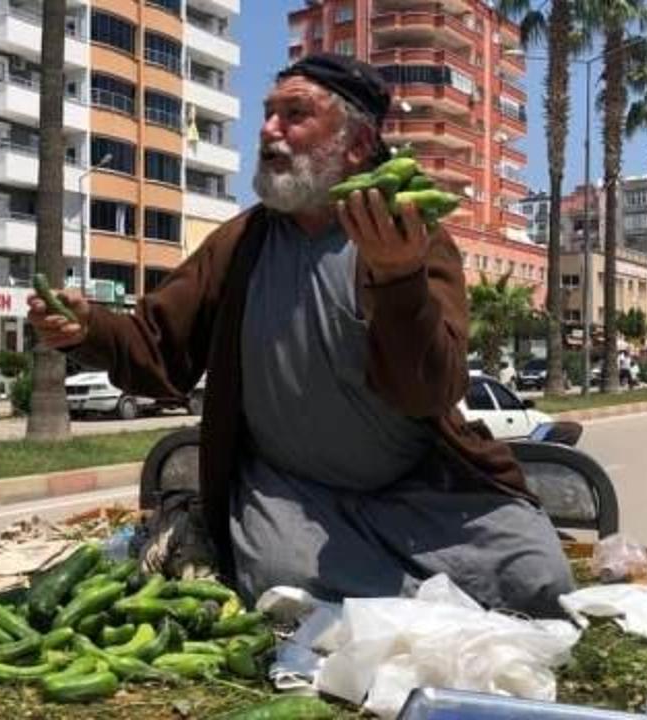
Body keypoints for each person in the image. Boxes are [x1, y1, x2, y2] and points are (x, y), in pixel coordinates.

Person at [28, 53, 573, 616]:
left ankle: (392, 602)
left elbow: (430, 390)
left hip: (420, 490)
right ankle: (413, 606)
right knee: (284, 586)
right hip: (290, 494)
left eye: (294, 115)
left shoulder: (412, 239)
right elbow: (159, 343)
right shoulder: (240, 244)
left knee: (537, 575)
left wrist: (398, 278)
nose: (268, 130)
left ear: (356, 146)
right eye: (269, 114)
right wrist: (87, 327)